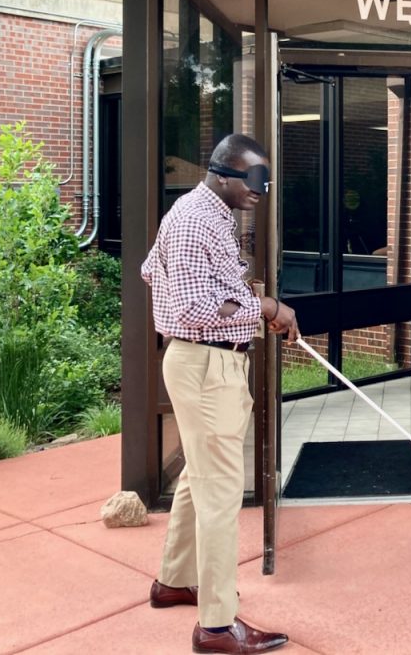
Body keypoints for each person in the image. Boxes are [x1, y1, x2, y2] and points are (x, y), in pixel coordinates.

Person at [141, 133, 299, 654]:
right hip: (205, 364)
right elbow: (189, 308)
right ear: (224, 172)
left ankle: (174, 581)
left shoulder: (208, 213)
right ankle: (216, 626)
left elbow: (152, 271)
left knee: (197, 477)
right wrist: (266, 310)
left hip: (208, 361)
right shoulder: (193, 219)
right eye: (255, 179)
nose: (263, 189)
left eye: (266, 180)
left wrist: (243, 306)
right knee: (221, 492)